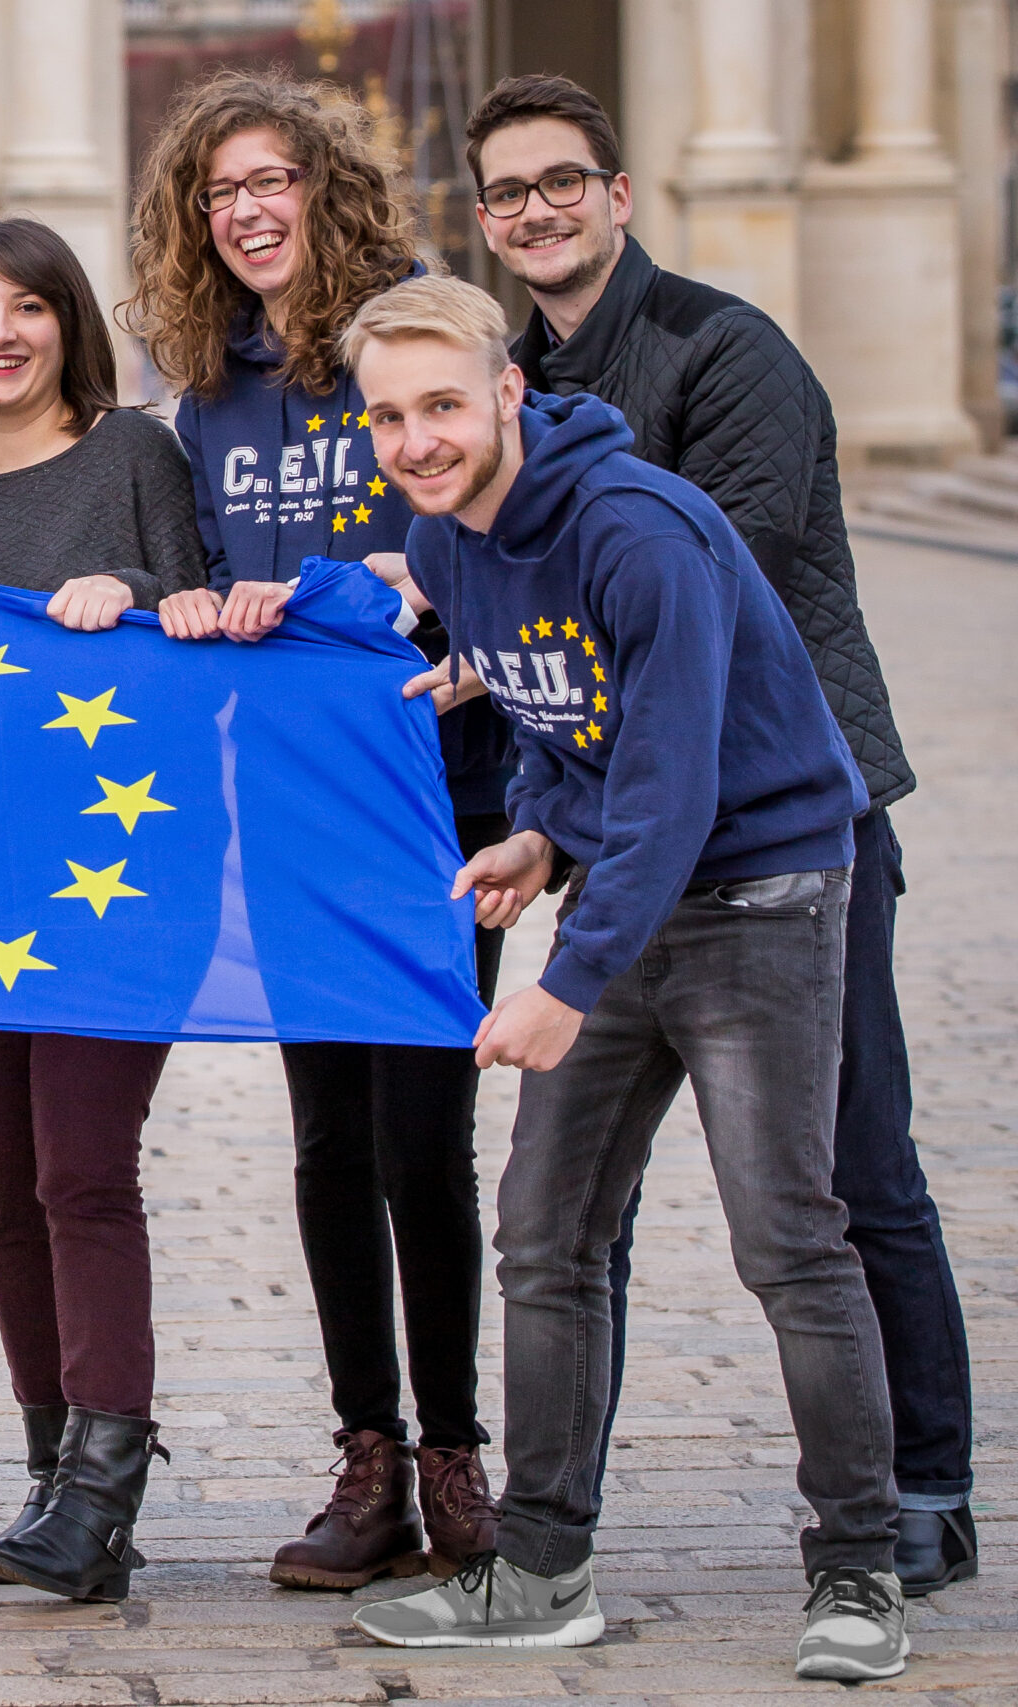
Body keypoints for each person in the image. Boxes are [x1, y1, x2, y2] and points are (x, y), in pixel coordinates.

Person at [340, 273, 907, 1684]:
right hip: (628, 892)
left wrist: (563, 979)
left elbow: (670, 778)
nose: (418, 437)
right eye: (391, 414)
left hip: (763, 889)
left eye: (444, 405)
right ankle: (541, 1567)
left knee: (787, 1233)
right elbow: (558, 721)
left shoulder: (636, 529)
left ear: (507, 392)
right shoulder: (447, 537)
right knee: (546, 1229)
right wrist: (536, 829)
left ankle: (860, 1570)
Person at [463, 73, 974, 1597]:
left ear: (619, 196)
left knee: (850, 1162)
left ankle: (929, 1485)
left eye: (564, 182)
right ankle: (556, 1525)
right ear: (485, 223)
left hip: (794, 820)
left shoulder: (728, 349)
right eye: (507, 193)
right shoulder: (514, 389)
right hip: (621, 828)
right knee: (572, 1212)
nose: (538, 211)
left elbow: (710, 595)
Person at [128, 69, 509, 1588]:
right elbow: (185, 581)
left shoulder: (414, 323)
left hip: (437, 802)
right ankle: (367, 1456)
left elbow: (520, 486)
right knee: (327, 1141)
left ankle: (456, 1452)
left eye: (271, 178)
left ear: (324, 183)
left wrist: (462, 605)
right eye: (217, 192)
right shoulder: (207, 393)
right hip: (283, 814)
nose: (246, 210)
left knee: (426, 1138)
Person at [0, 216, 202, 1602]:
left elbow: (205, 634)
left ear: (68, 319)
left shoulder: (138, 455)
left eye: (27, 304)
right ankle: (51, 1467)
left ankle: (104, 1494)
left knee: (84, 1167)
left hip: (117, 871)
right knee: (3, 1185)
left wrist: (128, 593)